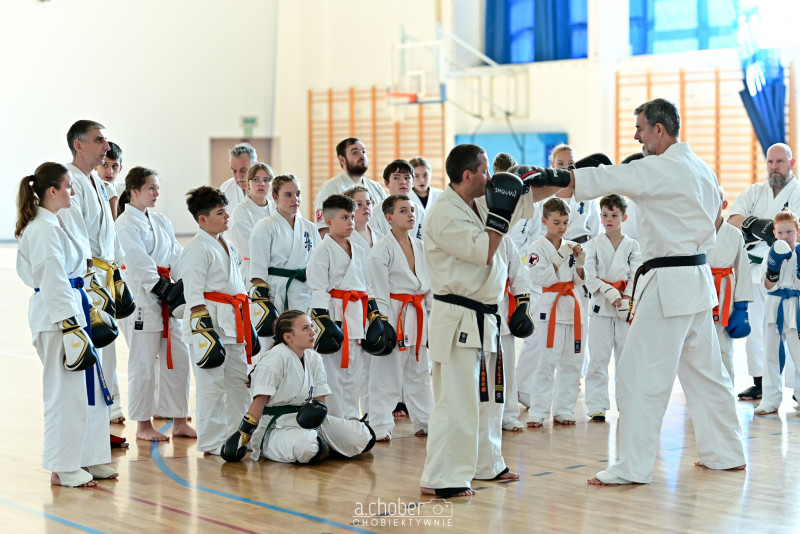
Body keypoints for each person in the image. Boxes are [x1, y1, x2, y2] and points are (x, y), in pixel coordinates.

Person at [528, 97, 745, 484]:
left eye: (640, 129)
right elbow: (714, 219)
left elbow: (609, 178)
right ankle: (726, 453)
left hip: (668, 285)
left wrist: (553, 177)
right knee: (708, 374)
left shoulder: (658, 168)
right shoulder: (702, 168)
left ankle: (633, 466)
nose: (636, 136)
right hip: (697, 280)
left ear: (659, 129)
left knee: (637, 375)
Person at [420, 143, 547, 498]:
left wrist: (554, 178)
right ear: (468, 175)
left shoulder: (477, 203)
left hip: (485, 316)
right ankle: (441, 477)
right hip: (457, 317)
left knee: (489, 400)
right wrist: (501, 213)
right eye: (485, 170)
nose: (490, 177)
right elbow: (485, 251)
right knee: (456, 401)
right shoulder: (445, 213)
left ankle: (486, 464)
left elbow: (523, 201)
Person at [16, 162, 117, 487]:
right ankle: (63, 466)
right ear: (52, 191)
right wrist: (70, 325)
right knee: (65, 393)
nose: (73, 191)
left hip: (76, 310)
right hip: (57, 319)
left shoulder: (58, 222)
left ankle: (89, 456)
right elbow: (52, 279)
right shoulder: (42, 229)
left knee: (91, 390)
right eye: (69, 186)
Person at [223, 311, 375, 463]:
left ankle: (322, 446)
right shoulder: (275, 357)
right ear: (288, 337)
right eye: (305, 328)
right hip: (276, 427)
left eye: (311, 326)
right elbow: (259, 402)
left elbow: (320, 400)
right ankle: (319, 446)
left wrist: (318, 415)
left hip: (308, 422)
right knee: (308, 447)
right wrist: (243, 434)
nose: (312, 332)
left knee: (362, 436)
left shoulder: (314, 358)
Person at [60, 120, 130, 438]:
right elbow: (74, 236)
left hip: (103, 274)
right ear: (79, 145)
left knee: (105, 347)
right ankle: (88, 434)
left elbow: (109, 233)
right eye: (99, 140)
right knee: (90, 353)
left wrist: (117, 270)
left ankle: (102, 425)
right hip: (85, 278)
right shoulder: (69, 181)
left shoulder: (96, 183)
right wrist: (89, 276)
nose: (106, 146)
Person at [115, 167, 195, 442]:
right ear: (134, 191)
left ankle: (179, 419)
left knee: (179, 358)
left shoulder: (161, 221)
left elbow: (176, 255)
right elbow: (137, 262)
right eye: (151, 188)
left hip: (169, 299)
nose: (157, 193)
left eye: (157, 187)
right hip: (142, 299)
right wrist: (162, 288)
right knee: (143, 363)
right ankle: (143, 424)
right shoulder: (125, 223)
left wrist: (182, 287)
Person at [180, 186, 258, 455]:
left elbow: (238, 285)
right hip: (210, 325)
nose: (227, 216)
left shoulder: (228, 243)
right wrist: (205, 332)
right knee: (211, 386)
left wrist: (248, 325)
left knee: (238, 383)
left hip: (234, 323)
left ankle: (239, 435)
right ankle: (212, 442)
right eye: (220, 212)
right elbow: (193, 294)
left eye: (226, 211)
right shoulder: (196, 248)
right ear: (203, 219)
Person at [727, 143, 800, 401]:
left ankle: (797, 386)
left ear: (791, 163)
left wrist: (765, 233)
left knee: (791, 328)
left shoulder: (798, 193)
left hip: (788, 271)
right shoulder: (755, 192)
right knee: (757, 327)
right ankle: (760, 382)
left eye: (780, 161)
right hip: (753, 269)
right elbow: (732, 220)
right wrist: (757, 224)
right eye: (770, 162)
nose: (774, 167)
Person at [368, 194, 434, 441]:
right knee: (387, 373)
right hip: (394, 312)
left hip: (417, 311)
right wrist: (382, 323)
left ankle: (424, 420)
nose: (410, 215)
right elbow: (378, 290)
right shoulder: (381, 249)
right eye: (403, 210)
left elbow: (430, 288)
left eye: (412, 210)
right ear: (389, 218)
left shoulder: (421, 246)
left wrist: (433, 317)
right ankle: (380, 424)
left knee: (419, 370)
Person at [307, 195, 374, 419]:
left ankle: (352, 420)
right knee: (333, 375)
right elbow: (318, 288)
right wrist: (323, 320)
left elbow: (368, 286)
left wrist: (373, 314)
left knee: (355, 374)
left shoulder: (359, 250)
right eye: (344, 217)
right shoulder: (322, 251)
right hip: (333, 318)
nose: (350, 222)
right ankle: (334, 422)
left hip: (356, 315)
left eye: (352, 217)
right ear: (328, 221)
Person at [525, 198, 588, 427]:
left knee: (572, 363)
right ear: (544, 221)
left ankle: (564, 410)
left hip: (573, 306)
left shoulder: (571, 246)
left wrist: (579, 263)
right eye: (556, 222)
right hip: (550, 308)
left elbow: (579, 281)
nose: (562, 227)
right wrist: (558, 259)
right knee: (546, 362)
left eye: (565, 222)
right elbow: (538, 278)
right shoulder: (536, 248)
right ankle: (538, 411)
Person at [583, 194, 642, 422]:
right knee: (598, 358)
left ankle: (627, 403)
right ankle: (596, 405)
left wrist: (625, 297)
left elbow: (636, 274)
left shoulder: (632, 245)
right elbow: (589, 276)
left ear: (624, 217)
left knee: (626, 359)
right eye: (605, 215)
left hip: (624, 307)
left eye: (614, 215)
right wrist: (609, 292)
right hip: (600, 306)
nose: (609, 219)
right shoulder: (593, 245)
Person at [249, 175, 320, 354]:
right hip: (276, 294)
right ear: (275, 197)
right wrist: (263, 302)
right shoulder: (264, 227)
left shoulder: (310, 228)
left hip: (304, 292)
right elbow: (258, 269)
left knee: (305, 344)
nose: (295, 199)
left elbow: (317, 265)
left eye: (298, 194)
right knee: (273, 345)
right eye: (288, 195)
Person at [754, 211, 800, 415]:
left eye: (789, 232)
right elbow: (766, 285)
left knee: (799, 354)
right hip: (774, 305)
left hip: (796, 305)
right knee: (771, 354)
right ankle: (770, 400)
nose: (785, 236)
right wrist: (773, 271)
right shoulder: (769, 254)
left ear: (798, 232)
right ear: (774, 233)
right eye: (780, 233)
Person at [707, 186, 753, 383]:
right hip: (700, 292)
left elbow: (743, 269)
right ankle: (700, 395)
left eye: (714, 202)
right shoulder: (693, 232)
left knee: (724, 348)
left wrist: (742, 306)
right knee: (697, 349)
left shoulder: (734, 234)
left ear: (724, 205)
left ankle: (726, 394)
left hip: (725, 295)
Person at [313, 138, 387, 235]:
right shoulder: (330, 188)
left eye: (363, 151)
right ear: (342, 159)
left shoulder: (376, 187)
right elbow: (323, 229)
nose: (362, 156)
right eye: (355, 152)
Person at [547, 144, 600, 245]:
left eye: (571, 163)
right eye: (560, 163)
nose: (566, 167)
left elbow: (597, 231)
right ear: (553, 165)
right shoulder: (544, 197)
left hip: (582, 249)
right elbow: (536, 230)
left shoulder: (587, 195)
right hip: (550, 249)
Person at [230, 163, 274, 283]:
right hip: (253, 272)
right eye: (256, 179)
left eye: (266, 180)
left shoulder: (277, 208)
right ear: (248, 183)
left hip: (277, 273)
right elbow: (250, 248)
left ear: (271, 184)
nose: (261, 184)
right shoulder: (240, 211)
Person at [371, 160, 426, 241]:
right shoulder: (376, 212)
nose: (403, 182)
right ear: (386, 183)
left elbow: (423, 242)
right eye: (396, 178)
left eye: (407, 178)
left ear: (413, 183)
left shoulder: (419, 211)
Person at [343, 185, 384, 251]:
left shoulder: (380, 237)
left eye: (368, 203)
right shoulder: (343, 239)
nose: (366, 207)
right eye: (359, 204)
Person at [219, 143, 258, 208]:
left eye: (243, 170)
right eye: (234, 171)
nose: (238, 176)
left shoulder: (271, 189)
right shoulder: (225, 188)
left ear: (255, 166)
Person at [94, 141, 123, 219]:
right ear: (95, 166)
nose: (110, 172)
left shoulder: (127, 191)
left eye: (114, 166)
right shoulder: (89, 190)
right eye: (105, 165)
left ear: (120, 168)